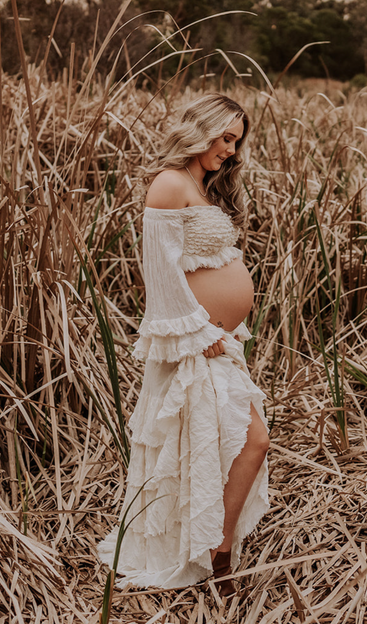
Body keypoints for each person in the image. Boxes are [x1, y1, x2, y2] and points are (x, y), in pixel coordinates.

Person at [97, 93, 269, 598]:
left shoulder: (199, 184)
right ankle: (216, 554)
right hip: (194, 343)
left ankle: (213, 547)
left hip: (216, 340)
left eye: (237, 142)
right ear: (203, 129)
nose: (232, 151)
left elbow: (199, 266)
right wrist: (199, 331)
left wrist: (225, 328)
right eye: (226, 138)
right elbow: (161, 273)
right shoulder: (170, 183)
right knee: (250, 440)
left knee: (214, 443)